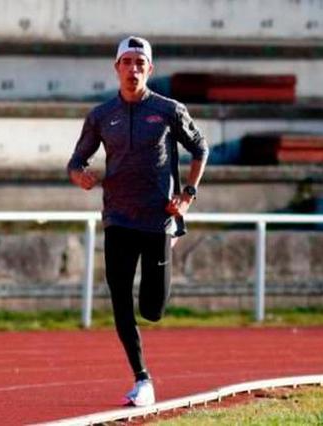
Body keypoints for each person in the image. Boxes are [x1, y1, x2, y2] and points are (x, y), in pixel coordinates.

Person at [66, 36, 208, 407]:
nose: (133, 69)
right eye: (126, 62)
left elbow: (200, 149)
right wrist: (79, 174)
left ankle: (166, 255)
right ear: (116, 68)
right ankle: (142, 379)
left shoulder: (168, 110)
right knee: (119, 296)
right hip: (117, 218)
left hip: (158, 220)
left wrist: (188, 195)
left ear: (150, 69)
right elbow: (75, 161)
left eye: (139, 63)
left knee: (152, 309)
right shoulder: (100, 115)